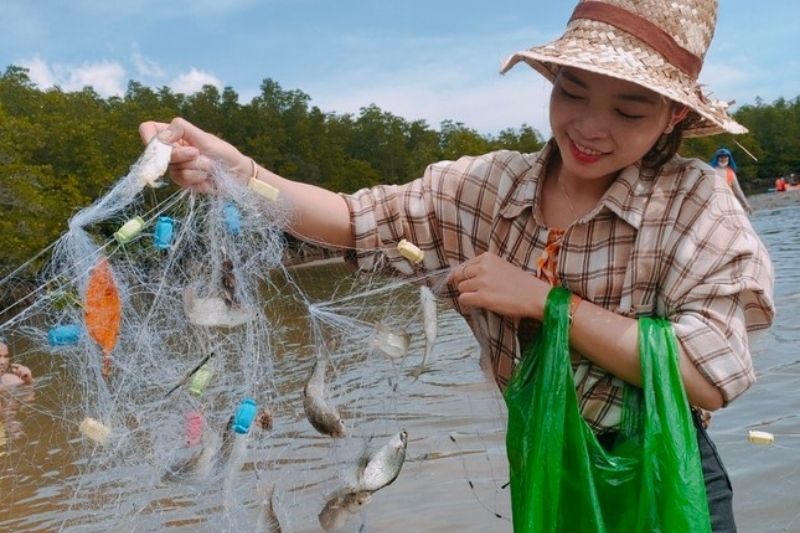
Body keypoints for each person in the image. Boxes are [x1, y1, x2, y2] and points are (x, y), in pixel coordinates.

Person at [140, 0, 774, 529]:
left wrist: (544, 302)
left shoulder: (696, 202)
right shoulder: (486, 189)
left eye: (629, 110)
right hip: (545, 466)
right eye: (571, 91)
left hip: (667, 472)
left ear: (677, 115)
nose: (588, 126)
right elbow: (351, 218)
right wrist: (239, 174)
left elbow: (707, 375)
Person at [711, 147, 753, 214]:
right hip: (714, 202)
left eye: (725, 157)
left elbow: (737, 190)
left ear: (729, 158)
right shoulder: (711, 170)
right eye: (721, 157)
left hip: (728, 201)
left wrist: (745, 204)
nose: (723, 159)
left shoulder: (731, 172)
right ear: (717, 158)